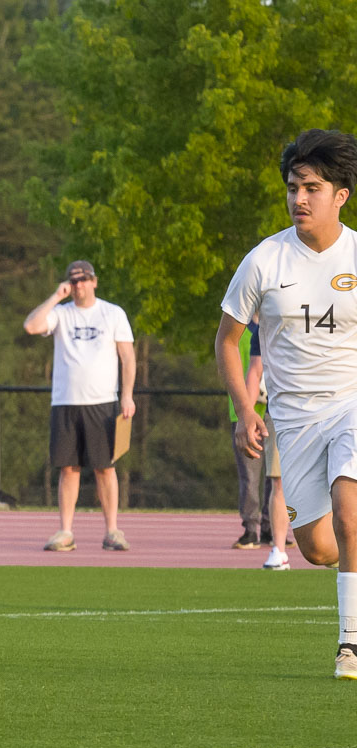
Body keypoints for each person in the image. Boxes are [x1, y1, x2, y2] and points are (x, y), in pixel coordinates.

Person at [216, 128, 357, 679]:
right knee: (320, 549)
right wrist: (247, 409)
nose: (299, 198)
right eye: (294, 187)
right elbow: (229, 340)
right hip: (293, 420)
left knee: (349, 515)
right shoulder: (263, 261)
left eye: (312, 188)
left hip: (352, 404)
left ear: (340, 194)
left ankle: (350, 644)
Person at [23, 260, 136, 552]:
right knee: (69, 469)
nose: (79, 285)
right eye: (74, 281)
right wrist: (55, 297)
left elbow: (128, 357)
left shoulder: (112, 313)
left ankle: (112, 531)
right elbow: (31, 326)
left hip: (102, 402)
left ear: (94, 281)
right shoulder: (61, 314)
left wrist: (127, 395)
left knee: (104, 468)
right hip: (66, 401)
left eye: (83, 280)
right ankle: (66, 531)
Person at [243, 331, 294, 570]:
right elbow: (255, 371)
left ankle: (341, 547)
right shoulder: (266, 325)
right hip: (280, 413)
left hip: (325, 410)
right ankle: (279, 550)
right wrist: (248, 416)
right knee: (278, 482)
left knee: (337, 479)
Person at [228, 320, 272, 550]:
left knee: (275, 476)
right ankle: (250, 529)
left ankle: (271, 527)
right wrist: (243, 407)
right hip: (245, 414)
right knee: (249, 476)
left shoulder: (275, 321)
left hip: (274, 411)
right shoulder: (235, 329)